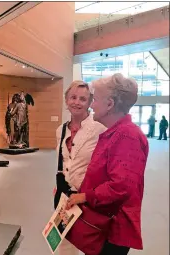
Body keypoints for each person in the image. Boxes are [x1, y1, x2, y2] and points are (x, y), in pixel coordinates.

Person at [66, 74, 149, 255]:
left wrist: (85, 196)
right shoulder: (115, 133)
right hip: (102, 223)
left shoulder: (127, 136)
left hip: (112, 228)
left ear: (110, 104)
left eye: (94, 99)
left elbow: (122, 186)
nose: (91, 105)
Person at [55, 80, 106, 255]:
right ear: (66, 100)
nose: (77, 102)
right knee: (63, 244)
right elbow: (63, 161)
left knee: (90, 244)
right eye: (73, 97)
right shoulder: (60, 130)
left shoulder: (100, 129)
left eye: (83, 99)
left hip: (88, 198)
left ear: (90, 102)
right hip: (66, 197)